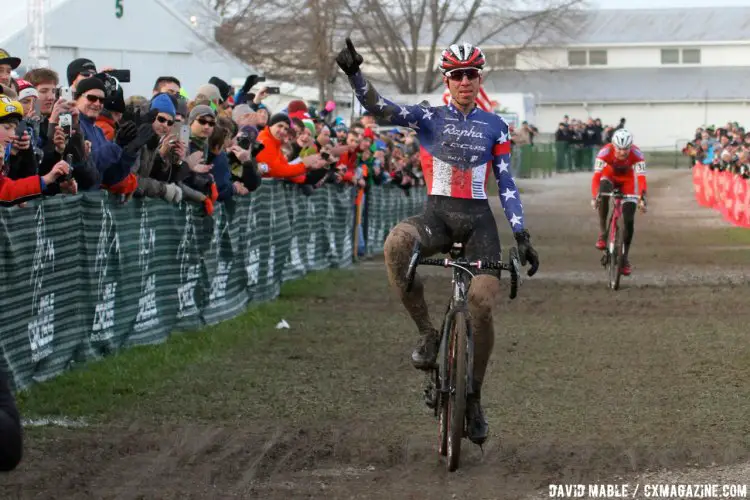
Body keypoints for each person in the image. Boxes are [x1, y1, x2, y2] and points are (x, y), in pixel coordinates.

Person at [335, 39, 540, 445]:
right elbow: (380, 108)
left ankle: (475, 398)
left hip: (480, 224)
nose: (465, 81)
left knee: (481, 306)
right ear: (447, 79)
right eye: (457, 75)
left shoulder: (495, 126)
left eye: (472, 74)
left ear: (480, 78)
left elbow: (506, 183)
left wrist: (521, 234)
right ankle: (428, 333)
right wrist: (355, 75)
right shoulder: (429, 116)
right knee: (396, 244)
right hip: (437, 217)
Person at [591, 128, 647, 276]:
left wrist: (642, 197)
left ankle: (624, 259)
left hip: (627, 181)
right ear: (613, 146)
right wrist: (594, 196)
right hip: (609, 177)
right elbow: (596, 177)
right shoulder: (604, 152)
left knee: (628, 220)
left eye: (626, 149)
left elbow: (641, 179)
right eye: (619, 149)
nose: (623, 152)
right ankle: (603, 233)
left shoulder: (637, 154)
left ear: (631, 147)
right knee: (603, 190)